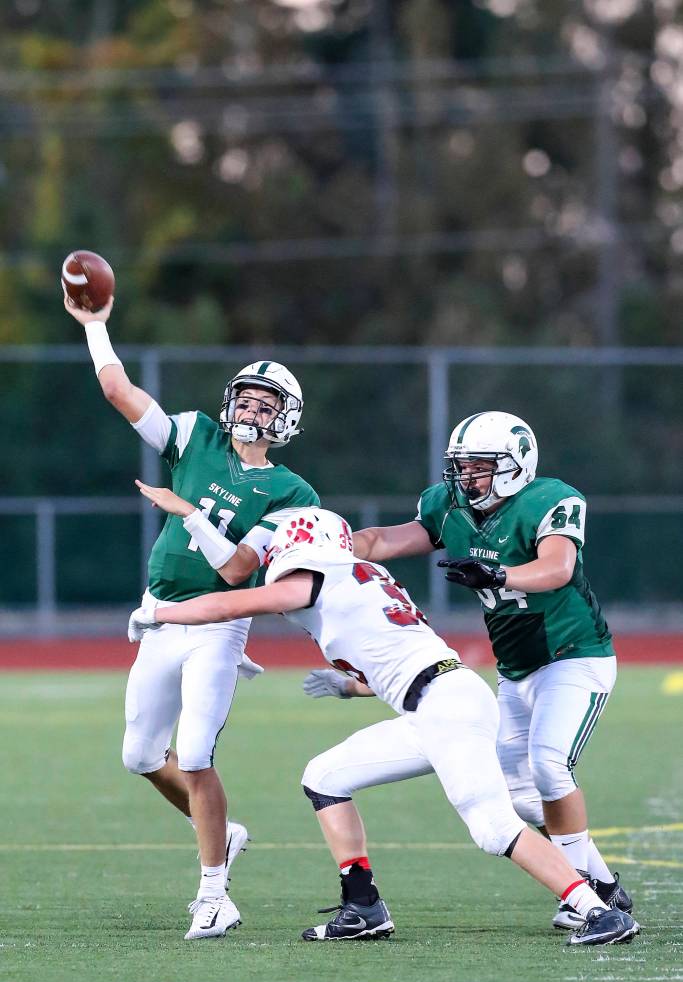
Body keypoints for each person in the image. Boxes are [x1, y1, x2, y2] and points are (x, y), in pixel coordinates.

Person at [128, 507, 640, 947]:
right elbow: (395, 659)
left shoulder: (315, 575)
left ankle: (598, 910)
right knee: (325, 776)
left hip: (444, 705)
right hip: (435, 700)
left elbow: (231, 603)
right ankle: (363, 907)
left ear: (295, 545)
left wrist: (163, 613)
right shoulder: (361, 575)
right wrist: (350, 687)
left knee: (493, 826)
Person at [64, 293, 319, 939]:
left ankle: (214, 894)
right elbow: (119, 391)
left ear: (284, 420)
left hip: (216, 628)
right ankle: (223, 834)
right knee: (139, 755)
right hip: (159, 618)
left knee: (197, 755)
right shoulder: (197, 434)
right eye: (246, 397)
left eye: (266, 404)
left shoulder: (292, 492)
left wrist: (189, 513)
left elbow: (237, 571)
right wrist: (95, 326)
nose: (249, 409)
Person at [350, 410, 632, 930]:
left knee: (550, 767)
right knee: (515, 791)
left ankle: (587, 897)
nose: (466, 478)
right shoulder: (451, 504)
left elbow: (558, 567)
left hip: (574, 656)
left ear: (514, 465)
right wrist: (335, 543)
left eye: (479, 466)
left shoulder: (548, 499)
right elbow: (390, 539)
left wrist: (500, 572)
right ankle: (603, 884)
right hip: (515, 668)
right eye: (462, 466)